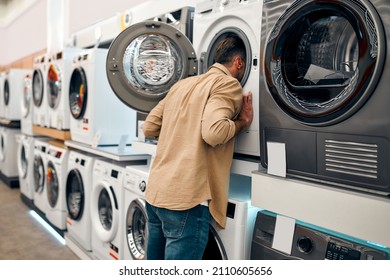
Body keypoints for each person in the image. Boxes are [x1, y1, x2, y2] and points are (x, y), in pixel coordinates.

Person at [142, 35, 253, 260]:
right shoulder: (228, 84)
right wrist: (243, 122)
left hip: (156, 193)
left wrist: (182, 130)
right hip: (186, 200)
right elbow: (213, 132)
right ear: (240, 62)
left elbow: (149, 127)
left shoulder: (181, 85)